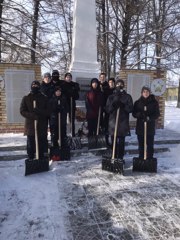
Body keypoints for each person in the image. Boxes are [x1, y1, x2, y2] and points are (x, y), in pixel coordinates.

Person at [20, 80, 51, 160]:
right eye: (33, 86)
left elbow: (48, 111)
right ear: (31, 87)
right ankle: (31, 158)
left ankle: (41, 158)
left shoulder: (44, 97)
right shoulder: (26, 97)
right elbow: (22, 111)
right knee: (31, 143)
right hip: (30, 125)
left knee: (41, 142)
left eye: (37, 86)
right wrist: (32, 115)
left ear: (39, 87)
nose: (35, 87)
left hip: (41, 124)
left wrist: (40, 112)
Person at [106, 79, 133, 160]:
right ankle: (113, 156)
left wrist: (123, 105)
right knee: (113, 142)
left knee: (121, 143)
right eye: (118, 84)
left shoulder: (127, 97)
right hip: (113, 123)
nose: (119, 85)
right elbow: (108, 110)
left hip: (123, 124)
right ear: (115, 85)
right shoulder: (111, 97)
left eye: (121, 84)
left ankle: (120, 158)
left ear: (123, 86)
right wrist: (113, 104)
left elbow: (130, 109)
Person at [132, 86, 160, 159]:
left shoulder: (154, 102)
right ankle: (141, 158)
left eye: (147, 92)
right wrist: (140, 115)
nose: (146, 93)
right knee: (141, 144)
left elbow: (157, 114)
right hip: (140, 127)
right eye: (144, 92)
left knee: (150, 144)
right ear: (141, 93)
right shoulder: (137, 102)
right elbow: (134, 113)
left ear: (149, 93)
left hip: (150, 127)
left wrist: (149, 118)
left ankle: (149, 158)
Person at [61, 72, 80, 137]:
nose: (68, 79)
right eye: (67, 77)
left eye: (70, 77)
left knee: (72, 120)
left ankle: (73, 134)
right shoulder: (62, 85)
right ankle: (64, 135)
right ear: (65, 78)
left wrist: (74, 92)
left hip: (72, 104)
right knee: (64, 121)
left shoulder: (74, 85)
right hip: (64, 105)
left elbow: (77, 96)